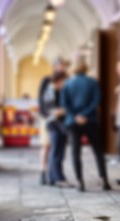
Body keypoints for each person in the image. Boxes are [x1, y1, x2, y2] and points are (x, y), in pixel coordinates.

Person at [61, 56, 111, 192]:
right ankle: (104, 180)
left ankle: (80, 181)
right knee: (97, 151)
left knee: (75, 152)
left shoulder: (67, 84)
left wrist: (76, 115)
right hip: (91, 120)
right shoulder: (92, 82)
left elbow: (65, 103)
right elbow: (96, 100)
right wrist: (86, 114)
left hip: (73, 121)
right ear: (85, 68)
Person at [38, 57, 68, 185]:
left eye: (63, 65)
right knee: (48, 147)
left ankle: (54, 176)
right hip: (50, 120)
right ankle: (46, 173)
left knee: (58, 149)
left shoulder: (62, 85)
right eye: (60, 65)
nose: (62, 67)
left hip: (59, 121)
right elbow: (44, 102)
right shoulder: (48, 84)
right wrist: (47, 114)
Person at [45, 71, 70, 187]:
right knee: (56, 151)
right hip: (54, 124)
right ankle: (58, 178)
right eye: (64, 80)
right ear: (59, 80)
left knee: (59, 151)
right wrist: (63, 111)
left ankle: (53, 177)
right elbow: (52, 110)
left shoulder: (59, 91)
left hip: (61, 124)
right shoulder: (50, 91)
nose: (66, 83)